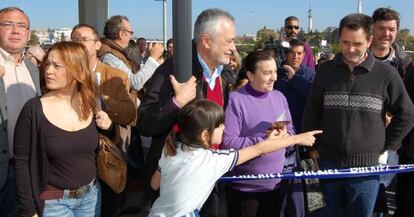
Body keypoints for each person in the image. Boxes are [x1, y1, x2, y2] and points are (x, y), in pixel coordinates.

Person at [303, 13, 414, 217]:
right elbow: (312, 111)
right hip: (325, 164)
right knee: (320, 214)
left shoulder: (386, 74)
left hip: (366, 170)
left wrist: (382, 145)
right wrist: (313, 149)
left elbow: (406, 114)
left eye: (357, 43)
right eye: (345, 42)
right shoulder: (325, 71)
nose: (350, 49)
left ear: (369, 40)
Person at [137, 8, 237, 216]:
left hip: (212, 181)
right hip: (178, 188)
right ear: (206, 41)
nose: (233, 48)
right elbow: (145, 123)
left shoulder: (226, 75)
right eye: (229, 41)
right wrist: (176, 102)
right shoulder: (172, 70)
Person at [149, 100, 322, 217]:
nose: (224, 128)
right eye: (219, 125)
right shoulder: (212, 161)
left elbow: (154, 184)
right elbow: (259, 149)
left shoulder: (171, 149)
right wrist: (298, 139)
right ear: (204, 135)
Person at [13, 41, 113, 217]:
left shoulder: (90, 103)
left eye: (57, 66)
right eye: (48, 64)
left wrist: (108, 127)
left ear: (78, 70)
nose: (48, 71)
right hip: (53, 203)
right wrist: (29, 210)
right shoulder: (34, 109)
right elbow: (22, 162)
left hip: (91, 197)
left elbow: (96, 146)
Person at [222, 50, 295, 217]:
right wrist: (263, 141)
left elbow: (291, 131)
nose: (274, 77)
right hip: (244, 188)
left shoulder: (279, 97)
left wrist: (285, 135)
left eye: (275, 72)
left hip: (275, 185)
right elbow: (229, 143)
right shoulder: (236, 100)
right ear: (251, 75)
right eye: (267, 73)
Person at [0, 7, 41, 216]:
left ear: (28, 32)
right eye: (7, 24)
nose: (15, 30)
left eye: (21, 26)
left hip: (25, 167)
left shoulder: (33, 69)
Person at [370, 8, 411, 78]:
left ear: (396, 32)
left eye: (391, 29)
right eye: (381, 28)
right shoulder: (356, 59)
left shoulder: (405, 65)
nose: (386, 33)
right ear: (372, 30)